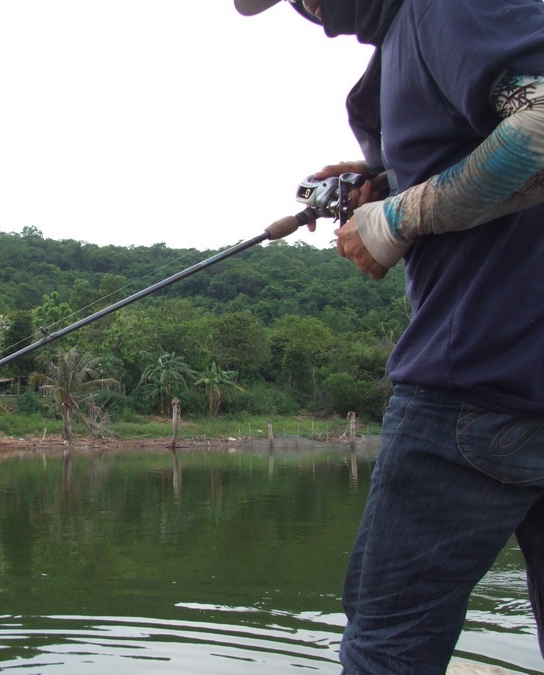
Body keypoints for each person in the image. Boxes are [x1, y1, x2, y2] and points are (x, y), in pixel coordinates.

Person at [234, 0, 544, 672]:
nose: (306, 6)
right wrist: (387, 180)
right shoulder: (427, 33)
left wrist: (399, 216)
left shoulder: (444, 8)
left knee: (389, 646)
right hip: (507, 379)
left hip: (476, 384)